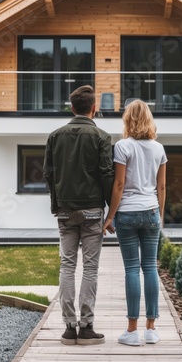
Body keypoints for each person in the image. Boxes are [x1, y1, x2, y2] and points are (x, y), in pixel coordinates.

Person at [43, 85, 114, 346]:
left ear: (72, 108)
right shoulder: (102, 137)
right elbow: (107, 173)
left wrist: (55, 206)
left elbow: (48, 174)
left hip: (64, 211)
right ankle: (87, 327)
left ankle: (68, 328)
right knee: (90, 268)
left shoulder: (54, 136)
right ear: (94, 108)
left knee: (67, 266)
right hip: (94, 211)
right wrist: (110, 212)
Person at [103, 99, 167, 346]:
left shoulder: (122, 146)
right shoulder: (158, 148)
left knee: (131, 269)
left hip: (127, 214)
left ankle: (132, 331)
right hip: (151, 211)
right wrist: (159, 216)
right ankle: (151, 329)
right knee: (150, 268)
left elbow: (118, 185)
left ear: (128, 119)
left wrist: (110, 216)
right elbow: (161, 186)